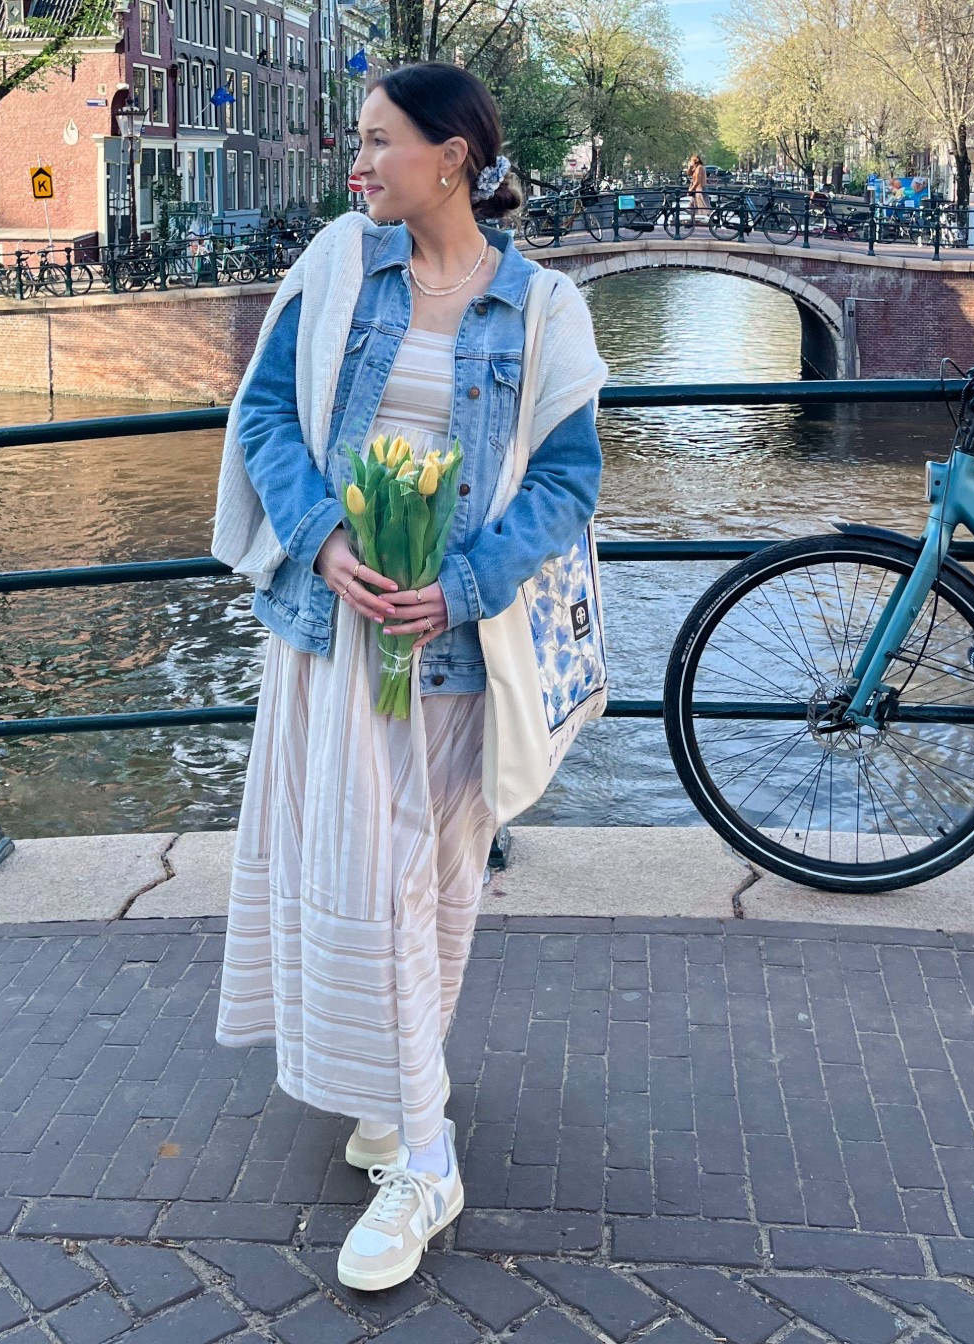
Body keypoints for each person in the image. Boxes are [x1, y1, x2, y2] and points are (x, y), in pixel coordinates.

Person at [212, 62, 606, 1291]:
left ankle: (398, 1107)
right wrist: (324, 538)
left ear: (454, 157)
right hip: (338, 638)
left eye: (379, 140)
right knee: (370, 878)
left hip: (458, 645)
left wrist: (468, 582)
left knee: (429, 886)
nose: (358, 163)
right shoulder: (339, 263)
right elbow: (266, 418)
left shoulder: (545, 308)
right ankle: (424, 1154)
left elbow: (568, 482)